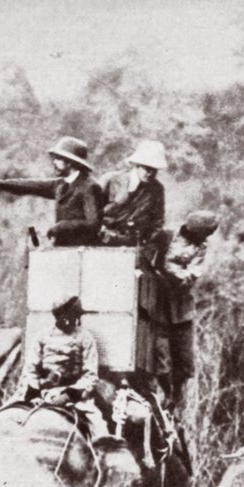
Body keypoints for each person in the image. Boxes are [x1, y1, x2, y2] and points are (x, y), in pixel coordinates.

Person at [0, 135, 103, 246]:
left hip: (84, 254)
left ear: (69, 162)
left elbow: (93, 224)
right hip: (62, 250)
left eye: (58, 159)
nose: (54, 162)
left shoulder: (90, 187)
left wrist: (62, 226)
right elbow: (31, 185)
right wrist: (1, 184)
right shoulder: (61, 184)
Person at [156, 211, 219, 404]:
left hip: (181, 307)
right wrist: (174, 270)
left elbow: (190, 275)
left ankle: (177, 399)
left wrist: (173, 271)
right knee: (162, 360)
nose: (204, 239)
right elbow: (157, 262)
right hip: (157, 304)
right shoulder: (167, 236)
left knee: (184, 361)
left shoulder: (201, 247)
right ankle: (165, 395)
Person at [22, 295, 106, 436]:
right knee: (11, 415)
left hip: (74, 395)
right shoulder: (42, 336)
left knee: (98, 426)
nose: (73, 321)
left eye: (76, 317)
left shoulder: (85, 337)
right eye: (69, 317)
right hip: (42, 392)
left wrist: (68, 395)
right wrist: (35, 390)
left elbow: (90, 375)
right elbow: (30, 370)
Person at [98, 139, 167, 248]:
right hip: (102, 240)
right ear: (137, 165)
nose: (150, 173)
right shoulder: (111, 179)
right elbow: (91, 212)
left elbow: (157, 223)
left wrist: (145, 243)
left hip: (133, 244)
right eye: (146, 168)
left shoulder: (156, 190)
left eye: (154, 170)